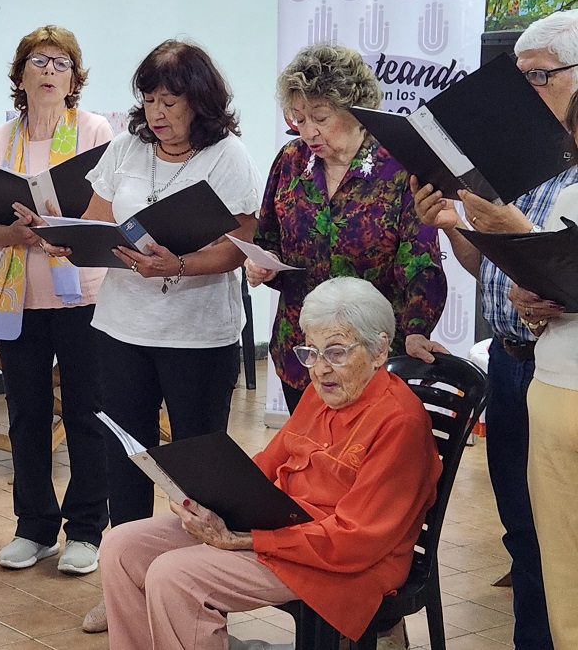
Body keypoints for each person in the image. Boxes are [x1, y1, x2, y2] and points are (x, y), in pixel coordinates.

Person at [99, 277, 442, 650]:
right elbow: (265, 466)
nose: (320, 369)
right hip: (279, 526)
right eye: (311, 351)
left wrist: (245, 540)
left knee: (174, 576)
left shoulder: (399, 422)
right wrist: (197, 495)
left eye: (337, 352)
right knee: (121, 546)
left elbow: (356, 540)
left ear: (378, 351)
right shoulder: (322, 392)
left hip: (341, 561)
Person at [81, 39, 263, 631]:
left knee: (198, 463)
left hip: (199, 334)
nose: (158, 112)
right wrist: (61, 234)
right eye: (150, 99)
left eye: (171, 100)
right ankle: (124, 591)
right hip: (122, 326)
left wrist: (178, 265)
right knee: (125, 455)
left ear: (200, 102)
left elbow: (239, 245)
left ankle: (199, 589)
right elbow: (94, 218)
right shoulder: (129, 146)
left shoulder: (229, 155)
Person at [412, 10, 578, 650]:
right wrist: (453, 223)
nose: (525, 92)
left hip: (563, 365)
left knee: (563, 527)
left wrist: (519, 236)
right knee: (523, 526)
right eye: (519, 78)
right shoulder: (511, 156)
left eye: (538, 76)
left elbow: (563, 268)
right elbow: (486, 264)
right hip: (515, 362)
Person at [0, 25, 114, 574]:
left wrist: (54, 226)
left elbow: (107, 211)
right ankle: (33, 527)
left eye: (61, 63)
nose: (50, 71)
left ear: (74, 78)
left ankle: (85, 530)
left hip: (84, 296)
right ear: (20, 75)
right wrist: (18, 233)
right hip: (18, 295)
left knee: (86, 414)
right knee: (25, 415)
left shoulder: (95, 130)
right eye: (39, 61)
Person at [247, 43, 447, 414]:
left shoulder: (400, 168)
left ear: (357, 111)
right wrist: (262, 266)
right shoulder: (291, 162)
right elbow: (268, 239)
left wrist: (418, 328)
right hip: (302, 354)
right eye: (299, 118)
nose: (308, 131)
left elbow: (421, 262)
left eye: (320, 117)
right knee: (310, 461)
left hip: (367, 357)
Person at [502, 91, 578, 648]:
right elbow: (542, 309)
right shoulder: (567, 197)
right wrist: (529, 304)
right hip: (552, 391)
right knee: (560, 562)